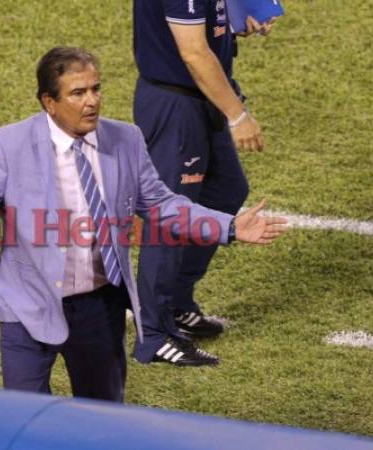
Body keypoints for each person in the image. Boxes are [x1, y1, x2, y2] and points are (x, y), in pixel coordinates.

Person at [0, 47, 287, 402]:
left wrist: (228, 226)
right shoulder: (10, 145)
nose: (92, 100)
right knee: (21, 422)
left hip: (99, 309)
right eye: (78, 93)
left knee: (99, 426)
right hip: (28, 304)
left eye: (96, 89)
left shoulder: (126, 139)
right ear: (49, 102)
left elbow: (163, 206)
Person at [133, 0, 276, 366]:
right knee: (170, 217)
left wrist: (234, 20)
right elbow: (194, 53)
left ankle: (177, 301)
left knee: (226, 190)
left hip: (202, 96)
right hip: (175, 106)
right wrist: (238, 115)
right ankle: (156, 334)